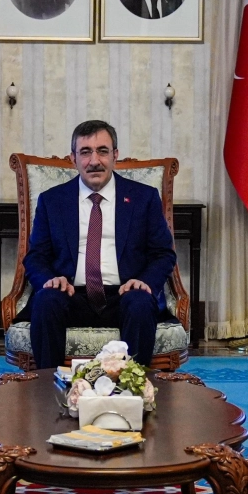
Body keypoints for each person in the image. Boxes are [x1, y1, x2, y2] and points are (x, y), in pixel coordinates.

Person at [24, 119, 178, 368]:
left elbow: (163, 253)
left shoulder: (143, 197)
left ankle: (133, 384)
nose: (94, 161)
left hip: (124, 293)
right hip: (71, 295)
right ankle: (48, 385)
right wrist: (50, 280)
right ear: (73, 159)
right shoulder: (52, 201)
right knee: (46, 300)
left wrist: (145, 282)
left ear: (115, 155)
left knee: (140, 302)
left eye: (102, 151)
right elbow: (36, 256)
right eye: (85, 152)